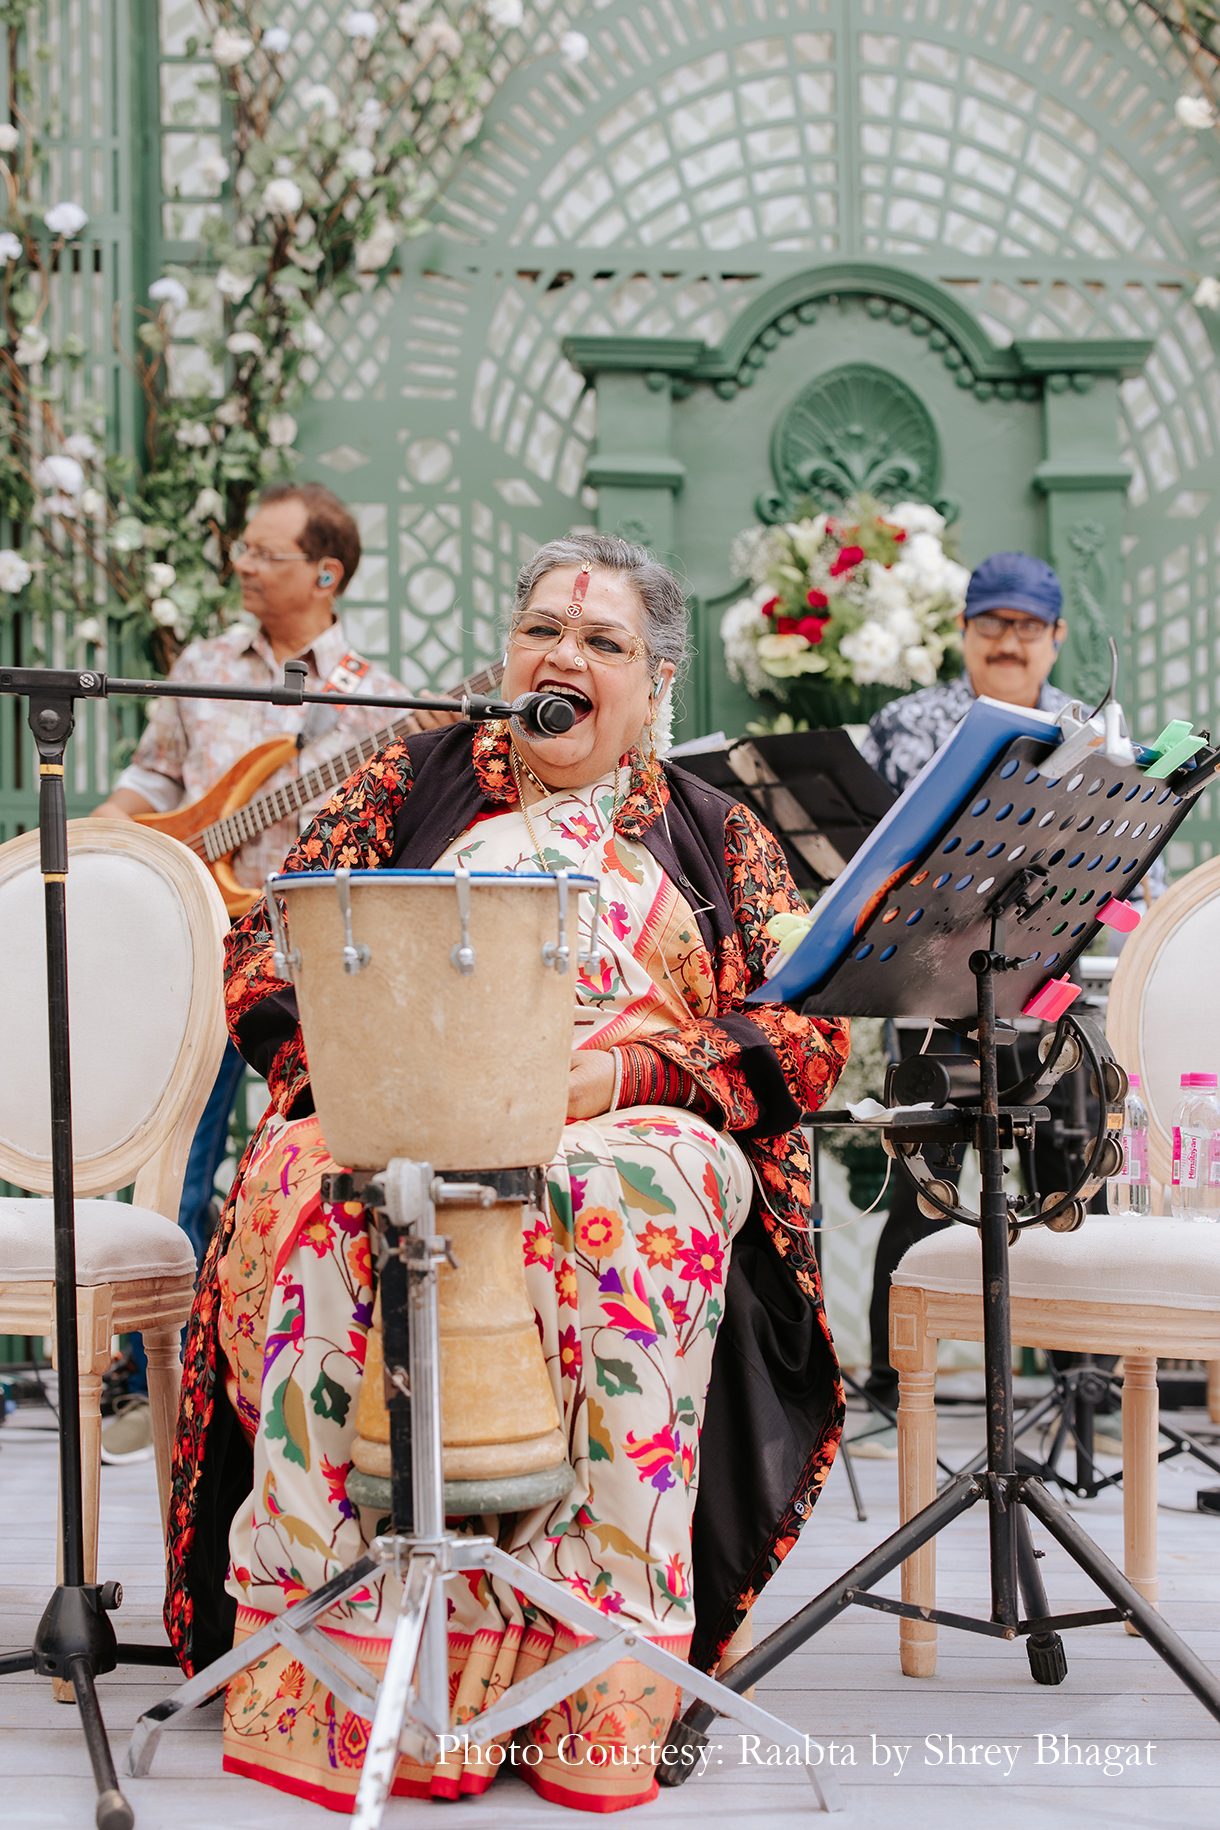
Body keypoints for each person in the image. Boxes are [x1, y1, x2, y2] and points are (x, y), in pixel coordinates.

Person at [164, 533, 851, 1813]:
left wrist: (616, 1081)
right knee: (325, 1189)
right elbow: (264, 958)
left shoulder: (717, 834)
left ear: (654, 688)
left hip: (622, 1121)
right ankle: (340, 1663)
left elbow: (805, 1030)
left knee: (630, 1199)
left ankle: (592, 1672)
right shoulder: (402, 778)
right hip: (398, 1108)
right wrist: (381, 1076)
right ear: (505, 655)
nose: (563, 656)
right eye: (543, 630)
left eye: (602, 644)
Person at [92, 482, 442, 1466]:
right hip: (195, 945)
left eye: (264, 551)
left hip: (305, 960)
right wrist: (112, 840)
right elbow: (157, 780)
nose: (243, 563)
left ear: (324, 573)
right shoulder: (202, 666)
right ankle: (143, 1374)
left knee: (303, 1154)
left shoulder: (377, 697)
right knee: (179, 1161)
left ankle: (280, 1365)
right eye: (242, 548)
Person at [854, 552, 1131, 1448]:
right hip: (936, 989)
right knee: (922, 1183)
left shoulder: (1096, 730)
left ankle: (1080, 1381)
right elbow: (863, 844)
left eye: (1028, 628)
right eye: (992, 625)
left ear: (1055, 638)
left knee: (1063, 1180)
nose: (1009, 643)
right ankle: (899, 1381)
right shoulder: (907, 723)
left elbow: (1139, 871)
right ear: (965, 633)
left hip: (1056, 996)